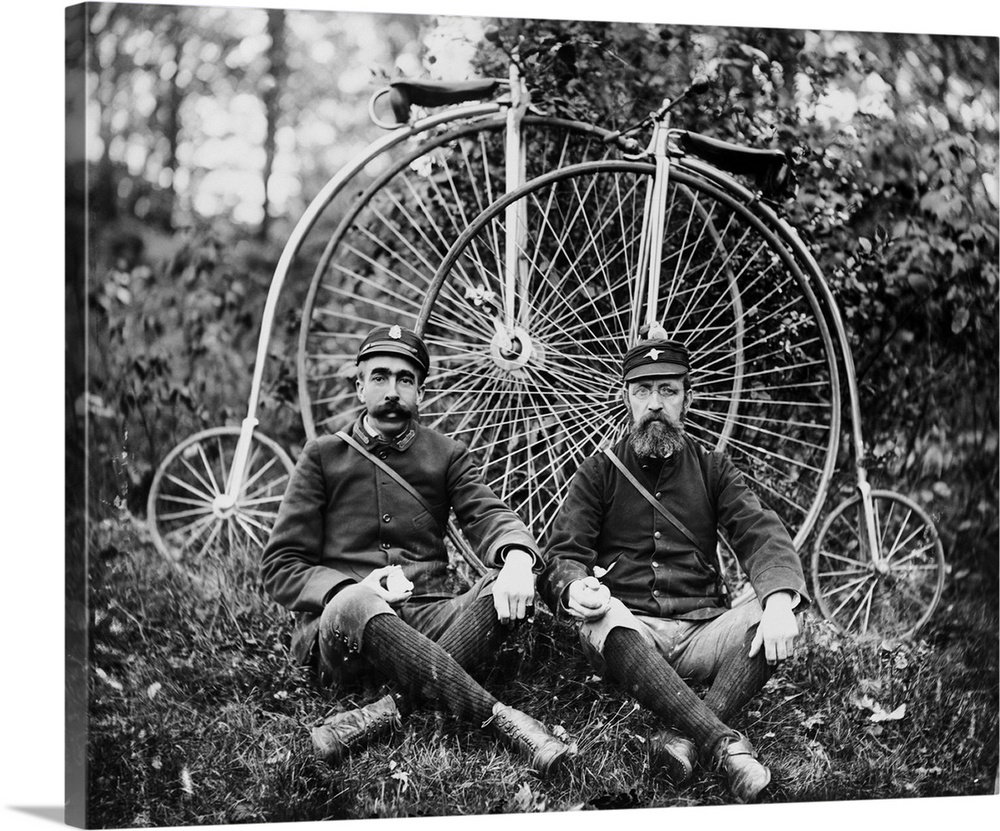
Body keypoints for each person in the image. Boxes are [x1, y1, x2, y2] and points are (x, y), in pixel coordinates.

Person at [262, 324, 569, 775]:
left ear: (420, 392)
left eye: (405, 380)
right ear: (359, 385)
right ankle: (504, 721)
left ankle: (387, 711)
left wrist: (519, 561)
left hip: (429, 618)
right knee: (354, 601)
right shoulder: (323, 455)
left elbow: (488, 515)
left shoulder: (445, 455)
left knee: (501, 590)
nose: (392, 391)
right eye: (380, 377)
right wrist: (353, 586)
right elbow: (281, 566)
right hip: (347, 632)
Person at [539, 326, 808, 802]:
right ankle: (723, 744)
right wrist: (575, 586)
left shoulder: (712, 468)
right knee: (608, 617)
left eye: (668, 390)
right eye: (643, 390)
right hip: (630, 632)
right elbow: (563, 552)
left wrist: (781, 599)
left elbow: (761, 532)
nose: (655, 404)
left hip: (703, 632)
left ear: (688, 397)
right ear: (626, 397)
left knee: (774, 609)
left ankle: (685, 737)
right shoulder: (600, 470)